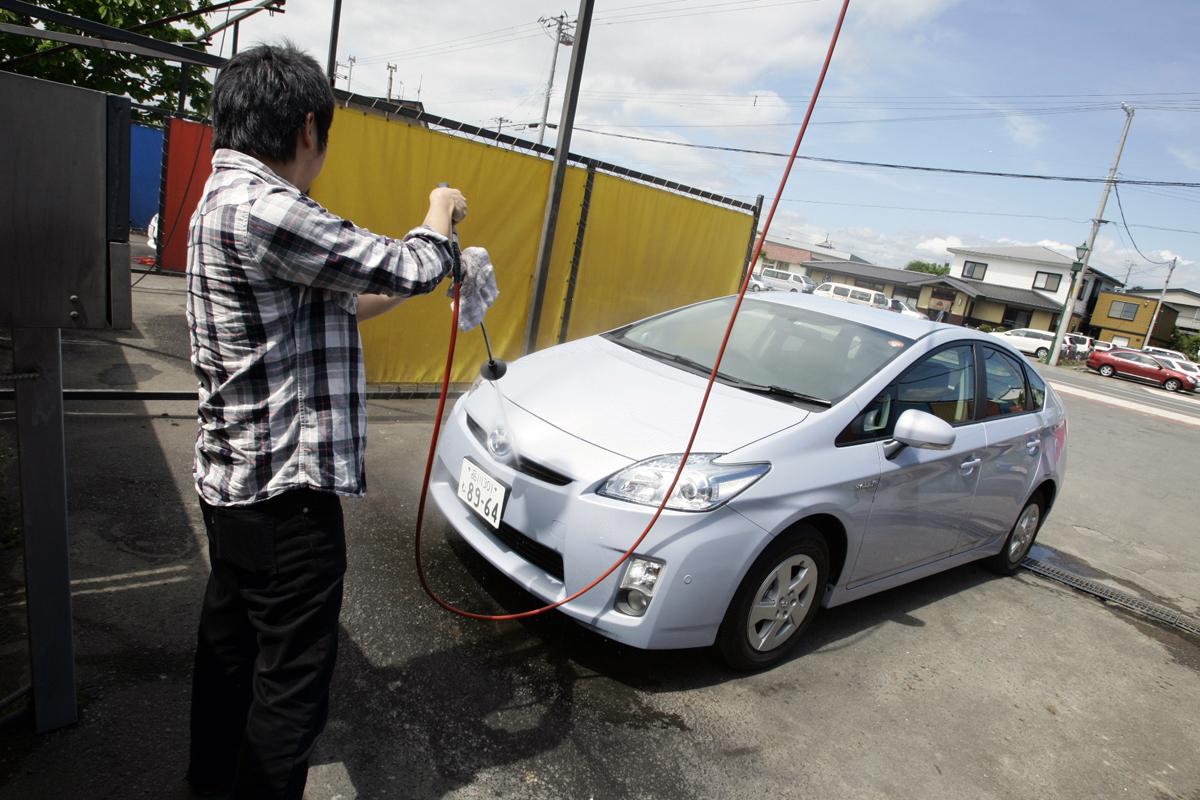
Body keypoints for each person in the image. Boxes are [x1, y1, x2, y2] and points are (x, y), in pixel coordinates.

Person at [184, 43, 467, 799]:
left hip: (233, 488)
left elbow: (346, 296)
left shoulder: (220, 198)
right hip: (285, 502)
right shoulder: (267, 205)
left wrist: (411, 279)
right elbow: (408, 263)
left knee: (231, 659)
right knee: (289, 693)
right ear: (308, 127)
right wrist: (441, 214)